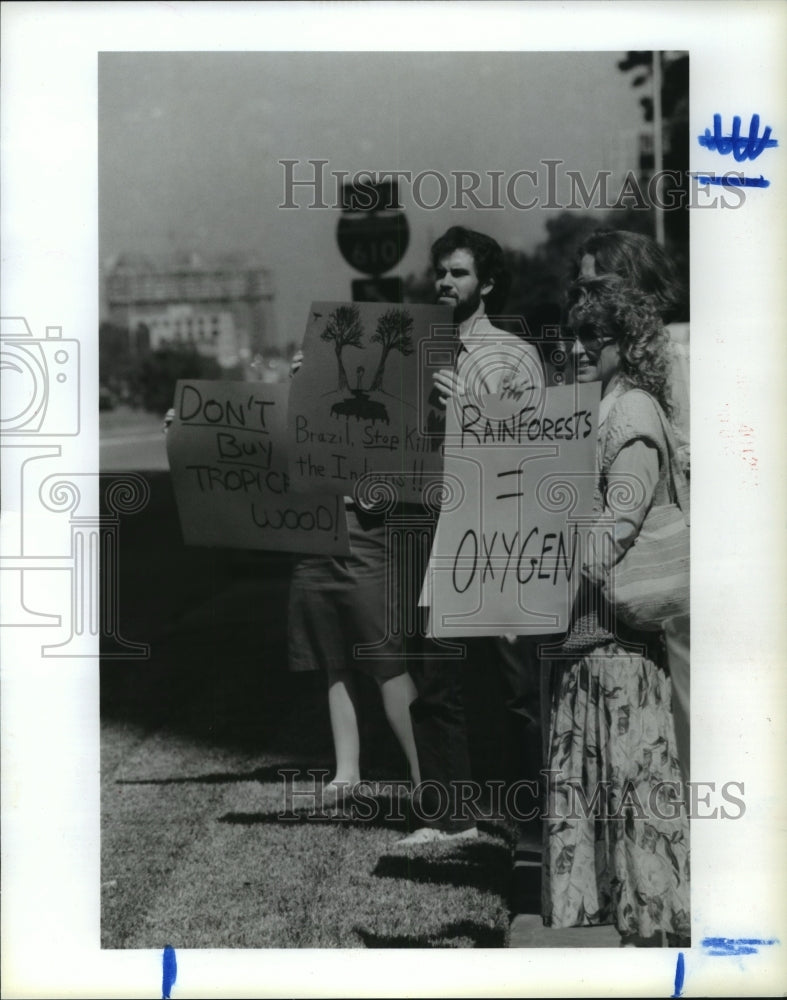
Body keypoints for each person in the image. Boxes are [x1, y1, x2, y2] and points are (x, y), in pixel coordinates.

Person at [541, 274, 690, 946]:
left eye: (591, 338)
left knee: (632, 806)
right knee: (615, 805)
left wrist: (536, 556)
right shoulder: (598, 408)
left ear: (623, 345)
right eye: (571, 335)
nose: (575, 349)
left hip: (618, 651)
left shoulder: (629, 417)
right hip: (592, 645)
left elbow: (618, 522)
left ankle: (652, 950)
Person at [399, 226, 546, 846]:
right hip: (434, 527)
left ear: (485, 284)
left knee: (517, 685)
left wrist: (471, 406)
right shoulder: (413, 349)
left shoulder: (512, 354)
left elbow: (539, 446)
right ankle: (446, 815)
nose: (444, 283)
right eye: (440, 272)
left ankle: (532, 815)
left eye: (457, 273)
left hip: (496, 533)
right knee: (435, 678)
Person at [570, 229, 690, 782]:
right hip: (615, 610)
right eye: (580, 289)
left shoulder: (656, 382)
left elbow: (622, 512)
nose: (584, 302)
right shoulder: (601, 386)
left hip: (652, 599)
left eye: (598, 288)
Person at [287, 360, 422, 803]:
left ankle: (425, 772)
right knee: (334, 654)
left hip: (367, 530)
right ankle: (347, 771)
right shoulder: (304, 400)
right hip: (317, 529)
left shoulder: (384, 408)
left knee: (385, 657)